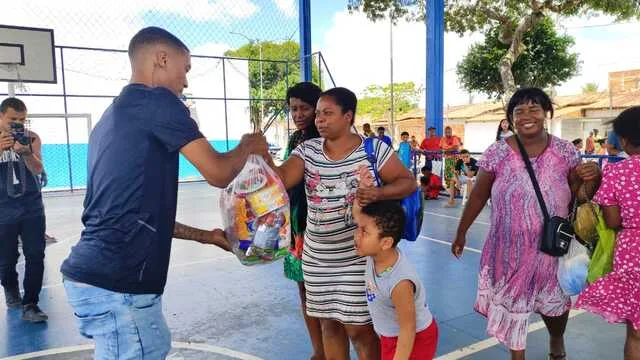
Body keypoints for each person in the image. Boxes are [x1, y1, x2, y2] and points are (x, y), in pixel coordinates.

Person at [60, 27, 269, 359]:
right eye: (185, 69)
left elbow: (135, 213)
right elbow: (217, 172)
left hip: (96, 278)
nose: (185, 82)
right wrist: (248, 146)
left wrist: (207, 236)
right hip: (120, 284)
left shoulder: (111, 118)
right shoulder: (157, 101)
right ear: (161, 58)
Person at [451, 87, 600, 360]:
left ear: (546, 113)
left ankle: (556, 338)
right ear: (510, 118)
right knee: (514, 304)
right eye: (519, 111)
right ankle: (517, 356)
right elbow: (479, 194)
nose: (527, 116)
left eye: (534, 109)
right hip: (508, 248)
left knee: (554, 304)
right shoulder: (497, 153)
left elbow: (578, 195)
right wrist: (461, 231)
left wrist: (593, 176)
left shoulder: (565, 151)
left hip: (551, 246)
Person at [266, 87, 416, 360]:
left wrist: (379, 193)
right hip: (317, 257)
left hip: (356, 257)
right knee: (329, 325)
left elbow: (408, 182)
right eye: (319, 114)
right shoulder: (307, 150)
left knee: (359, 329)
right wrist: (262, 157)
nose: (319, 120)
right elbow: (282, 178)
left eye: (328, 113)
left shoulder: (373, 150)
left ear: (348, 116)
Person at [576, 106, 640, 360]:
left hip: (632, 251)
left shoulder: (617, 172)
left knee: (636, 331)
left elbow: (612, 221)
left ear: (623, 140)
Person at [353, 201, 438, 360]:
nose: (356, 236)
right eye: (357, 229)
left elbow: (408, 329)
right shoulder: (376, 254)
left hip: (416, 339)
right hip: (390, 335)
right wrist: (363, 188)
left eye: (364, 232)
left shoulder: (400, 283)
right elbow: (358, 214)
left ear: (385, 243)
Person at [280, 82, 326, 360]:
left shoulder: (324, 140)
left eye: (304, 108)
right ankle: (318, 350)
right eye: (293, 108)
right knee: (305, 290)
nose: (298, 114)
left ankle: (329, 349)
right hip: (297, 224)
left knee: (322, 293)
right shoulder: (294, 139)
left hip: (319, 224)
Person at [0, 97, 48, 322]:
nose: (17, 124)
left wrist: (26, 152)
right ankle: (10, 290)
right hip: (3, 211)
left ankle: (31, 303)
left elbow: (38, 169)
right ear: (1, 117)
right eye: (12, 119)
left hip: (31, 208)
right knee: (7, 259)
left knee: (36, 255)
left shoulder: (32, 138)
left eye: (22, 120)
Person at [440, 126, 462, 207]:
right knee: (447, 177)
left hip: (455, 160)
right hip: (447, 160)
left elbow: (456, 147)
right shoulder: (443, 139)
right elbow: (441, 148)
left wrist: (447, 150)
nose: (447, 133)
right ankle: (452, 196)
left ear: (451, 132)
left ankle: (452, 198)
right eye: (446, 132)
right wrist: (448, 150)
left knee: (454, 177)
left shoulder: (455, 138)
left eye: (449, 132)